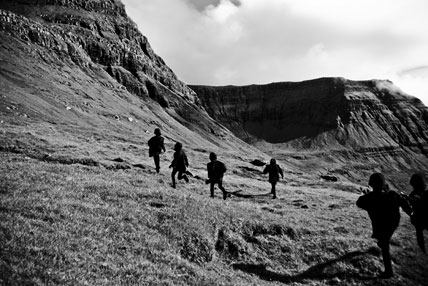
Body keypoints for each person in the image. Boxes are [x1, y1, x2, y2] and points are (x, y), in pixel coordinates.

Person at [356, 173, 412, 278]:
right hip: (392, 224)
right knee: (383, 242)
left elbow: (359, 203)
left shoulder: (369, 198)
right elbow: (404, 204)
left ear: (371, 184)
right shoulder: (392, 194)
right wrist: (411, 213)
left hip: (381, 226)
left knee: (384, 246)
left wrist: (367, 194)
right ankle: (382, 245)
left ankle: (389, 272)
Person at [407, 173, 428, 253]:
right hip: (421, 219)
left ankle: (423, 251)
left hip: (419, 219)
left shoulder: (414, 194)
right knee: (419, 235)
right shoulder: (424, 193)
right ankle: (423, 251)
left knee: (419, 234)